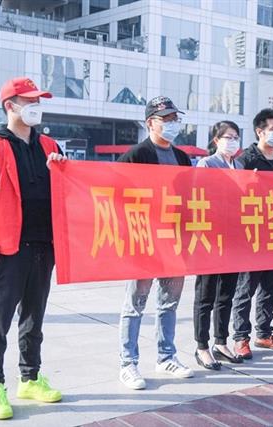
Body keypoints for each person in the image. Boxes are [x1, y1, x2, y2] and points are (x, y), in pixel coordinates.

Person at [0, 76, 65, 420]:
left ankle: (30, 377)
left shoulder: (50, 145)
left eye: (38, 101)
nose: (36, 106)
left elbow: (69, 189)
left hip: (44, 245)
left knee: (34, 316)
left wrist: (61, 170)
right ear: (10, 105)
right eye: (30, 101)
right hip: (8, 246)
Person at [117, 96, 194, 390]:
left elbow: (191, 197)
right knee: (135, 304)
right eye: (167, 119)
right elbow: (115, 193)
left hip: (174, 241)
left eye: (175, 119)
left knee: (168, 304)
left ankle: (166, 356)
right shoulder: (136, 155)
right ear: (151, 122)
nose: (173, 124)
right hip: (144, 241)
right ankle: (128, 363)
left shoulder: (182, 157)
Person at [232, 108, 273, 359]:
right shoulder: (246, 159)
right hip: (251, 234)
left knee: (270, 287)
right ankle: (240, 337)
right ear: (260, 131)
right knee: (246, 289)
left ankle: (264, 333)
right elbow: (231, 192)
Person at [193, 121, 244, 370]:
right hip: (211, 238)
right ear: (216, 140)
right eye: (228, 137)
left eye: (236, 137)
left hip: (233, 238)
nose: (232, 142)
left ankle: (221, 342)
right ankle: (202, 346)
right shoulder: (207, 164)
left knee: (226, 294)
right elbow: (200, 196)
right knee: (206, 295)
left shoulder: (240, 165)